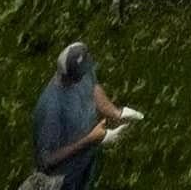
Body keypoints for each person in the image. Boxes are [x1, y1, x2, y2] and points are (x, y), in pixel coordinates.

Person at [31, 42, 123, 187]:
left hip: (87, 162)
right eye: (81, 73)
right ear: (68, 75)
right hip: (65, 179)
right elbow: (47, 160)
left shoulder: (82, 71)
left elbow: (94, 87)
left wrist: (116, 113)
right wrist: (90, 139)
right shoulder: (51, 108)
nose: (86, 73)